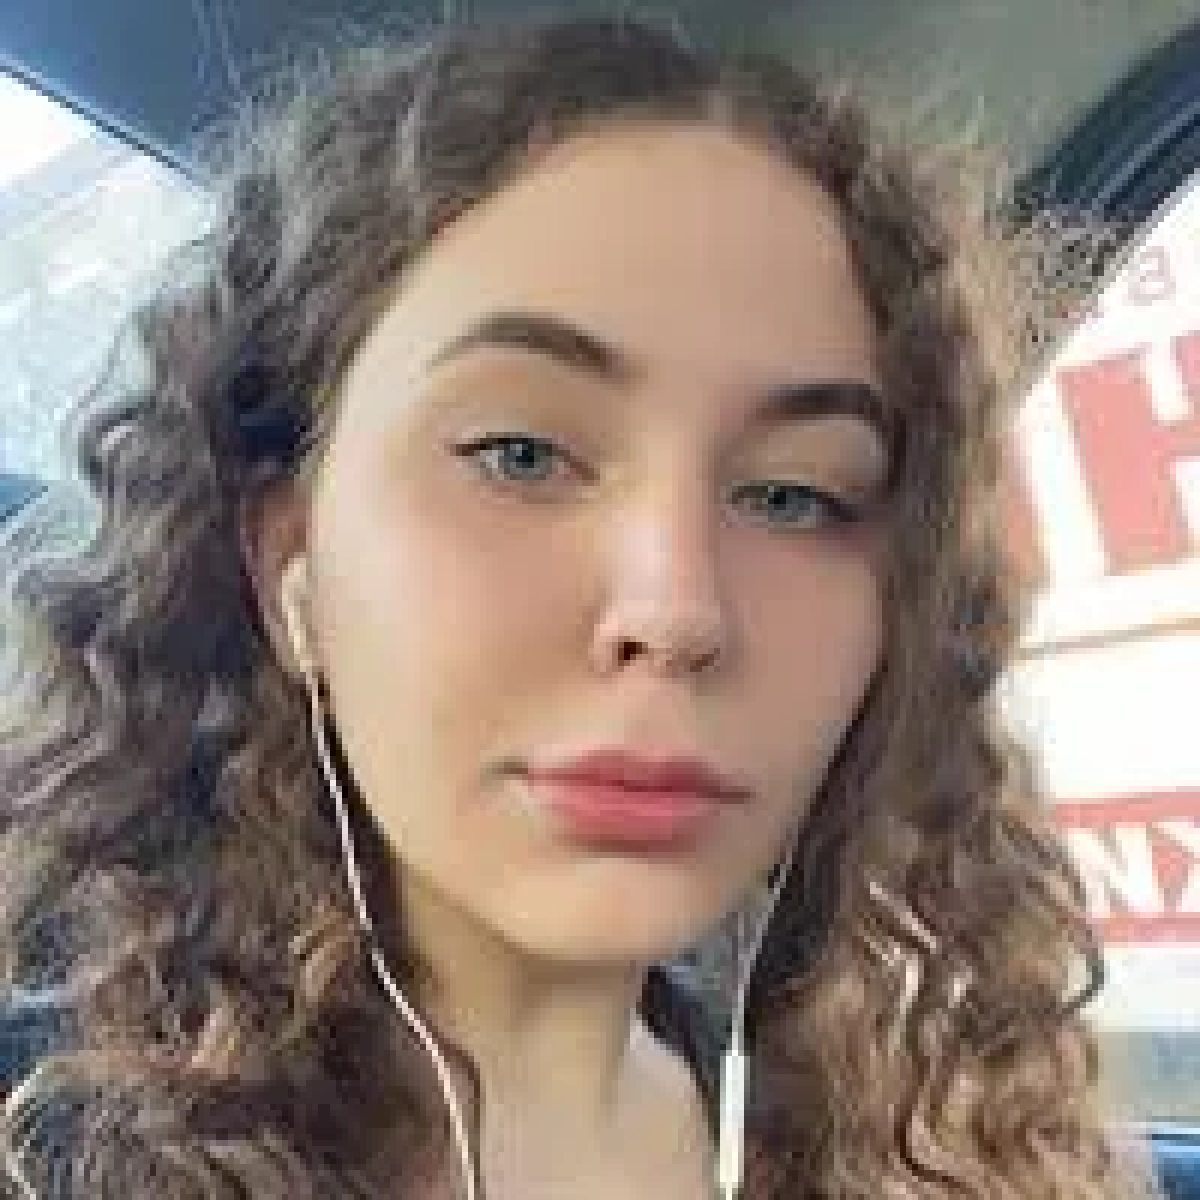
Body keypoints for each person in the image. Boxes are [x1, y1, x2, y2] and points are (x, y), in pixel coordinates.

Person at [0, 12, 1162, 1199]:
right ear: (287, 562)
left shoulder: (938, 1146)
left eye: (796, 496)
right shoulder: (47, 1139)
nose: (679, 608)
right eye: (519, 454)